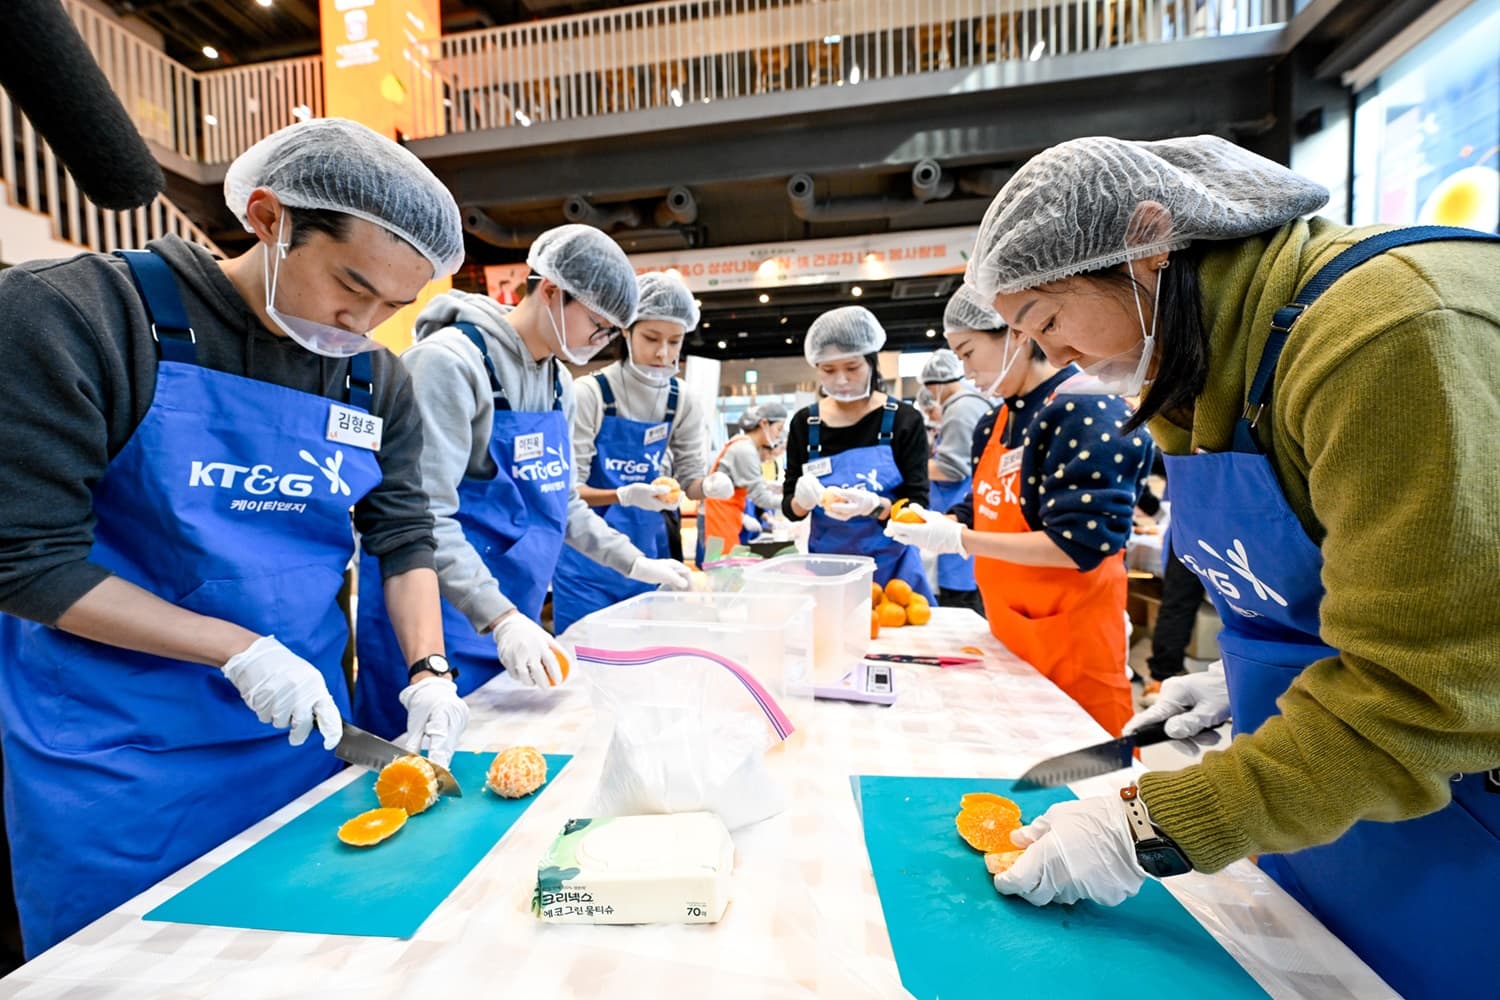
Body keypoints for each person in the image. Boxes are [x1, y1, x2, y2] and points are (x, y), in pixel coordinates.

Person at [962, 134, 1499, 1000]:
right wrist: (1242, 677)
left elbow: (1426, 695)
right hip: (1336, 813)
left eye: (1049, 322)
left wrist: (1147, 825)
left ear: (1149, 242)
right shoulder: (1203, 366)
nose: (1050, 359)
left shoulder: (1390, 337)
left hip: (1462, 816)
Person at [0, 118, 468, 957]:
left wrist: (431, 669)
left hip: (298, 738)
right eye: (349, 287)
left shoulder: (374, 378)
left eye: (393, 308)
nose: (361, 322)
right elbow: (27, 559)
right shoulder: (80, 315)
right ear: (267, 218)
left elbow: (402, 535)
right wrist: (239, 650)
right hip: (121, 758)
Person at [354, 225, 692, 735]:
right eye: (599, 327)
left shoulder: (558, 382)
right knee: (418, 770)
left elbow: (561, 504)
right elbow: (423, 519)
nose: (601, 344)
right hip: (435, 625)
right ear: (552, 291)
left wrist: (635, 561)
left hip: (516, 619)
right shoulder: (448, 365)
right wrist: (500, 619)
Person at [889, 288, 1153, 735]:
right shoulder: (994, 422)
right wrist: (943, 522)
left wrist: (961, 541)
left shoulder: (1085, 408)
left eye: (969, 353)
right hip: (1006, 632)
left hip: (1072, 645)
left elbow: (1080, 545)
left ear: (1016, 334)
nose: (964, 371)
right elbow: (980, 505)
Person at [551, 271, 713, 633]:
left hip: (649, 556)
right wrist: (623, 495)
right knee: (585, 669)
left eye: (675, 342)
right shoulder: (590, 394)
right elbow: (566, 491)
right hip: (587, 567)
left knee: (648, 667)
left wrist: (711, 485)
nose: (663, 353)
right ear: (625, 330)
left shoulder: (681, 400)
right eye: (651, 338)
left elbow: (690, 482)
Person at [782, 306, 931, 600]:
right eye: (828, 370)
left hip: (893, 573)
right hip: (828, 573)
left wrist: (875, 506)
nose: (840, 380)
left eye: (852, 368)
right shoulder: (805, 423)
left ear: (872, 362)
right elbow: (791, 510)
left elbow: (918, 505)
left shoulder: (903, 419)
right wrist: (801, 499)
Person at [919, 343, 992, 614]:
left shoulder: (961, 410)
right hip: (960, 514)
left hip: (962, 514)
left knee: (961, 606)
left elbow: (952, 469)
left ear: (935, 384)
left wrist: (911, 466)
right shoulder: (966, 406)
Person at [700, 402, 788, 560]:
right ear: (764, 424)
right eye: (778, 429)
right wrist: (794, 504)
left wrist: (773, 487)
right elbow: (761, 497)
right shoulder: (744, 450)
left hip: (726, 518)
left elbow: (743, 483)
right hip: (719, 520)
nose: (778, 436)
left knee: (723, 569)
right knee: (722, 570)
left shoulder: (741, 445)